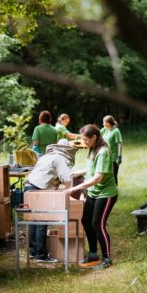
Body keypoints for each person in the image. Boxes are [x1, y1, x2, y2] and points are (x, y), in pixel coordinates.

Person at [65, 124, 118, 270]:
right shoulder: (93, 148)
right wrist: (78, 173)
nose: (84, 142)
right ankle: (94, 254)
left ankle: (107, 259)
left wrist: (76, 188)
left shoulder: (103, 152)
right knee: (86, 221)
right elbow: (91, 169)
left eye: (86, 139)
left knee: (97, 224)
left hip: (106, 194)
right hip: (94, 193)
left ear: (94, 137)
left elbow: (97, 178)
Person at [25, 139, 77, 263]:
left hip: (28, 187)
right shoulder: (60, 158)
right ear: (67, 150)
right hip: (40, 189)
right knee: (42, 221)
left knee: (32, 220)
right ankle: (41, 255)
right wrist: (71, 194)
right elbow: (66, 179)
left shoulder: (47, 156)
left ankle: (32, 252)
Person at [100, 115, 123, 185]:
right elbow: (97, 133)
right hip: (106, 156)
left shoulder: (116, 131)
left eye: (104, 122)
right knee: (106, 175)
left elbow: (120, 144)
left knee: (114, 175)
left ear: (108, 123)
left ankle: (115, 191)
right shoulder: (105, 129)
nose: (103, 123)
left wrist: (119, 157)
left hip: (114, 157)